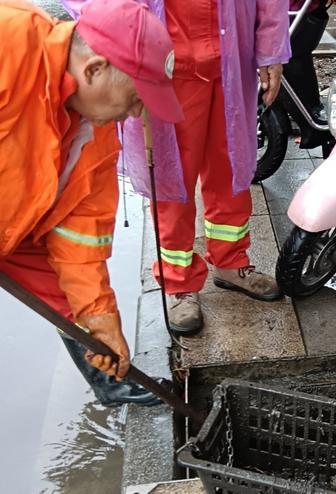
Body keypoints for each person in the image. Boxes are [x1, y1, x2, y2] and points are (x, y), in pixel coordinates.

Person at [0, 0, 183, 406]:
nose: (137, 112)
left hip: (14, 223)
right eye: (136, 97)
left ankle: (111, 384)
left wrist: (99, 315)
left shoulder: (96, 134)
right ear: (95, 68)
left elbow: (79, 236)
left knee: (75, 304)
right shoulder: (10, 43)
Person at [153, 0, 293, 334]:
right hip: (170, 66)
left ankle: (230, 262)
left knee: (232, 169)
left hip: (232, 60)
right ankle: (178, 281)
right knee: (173, 180)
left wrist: (271, 50)